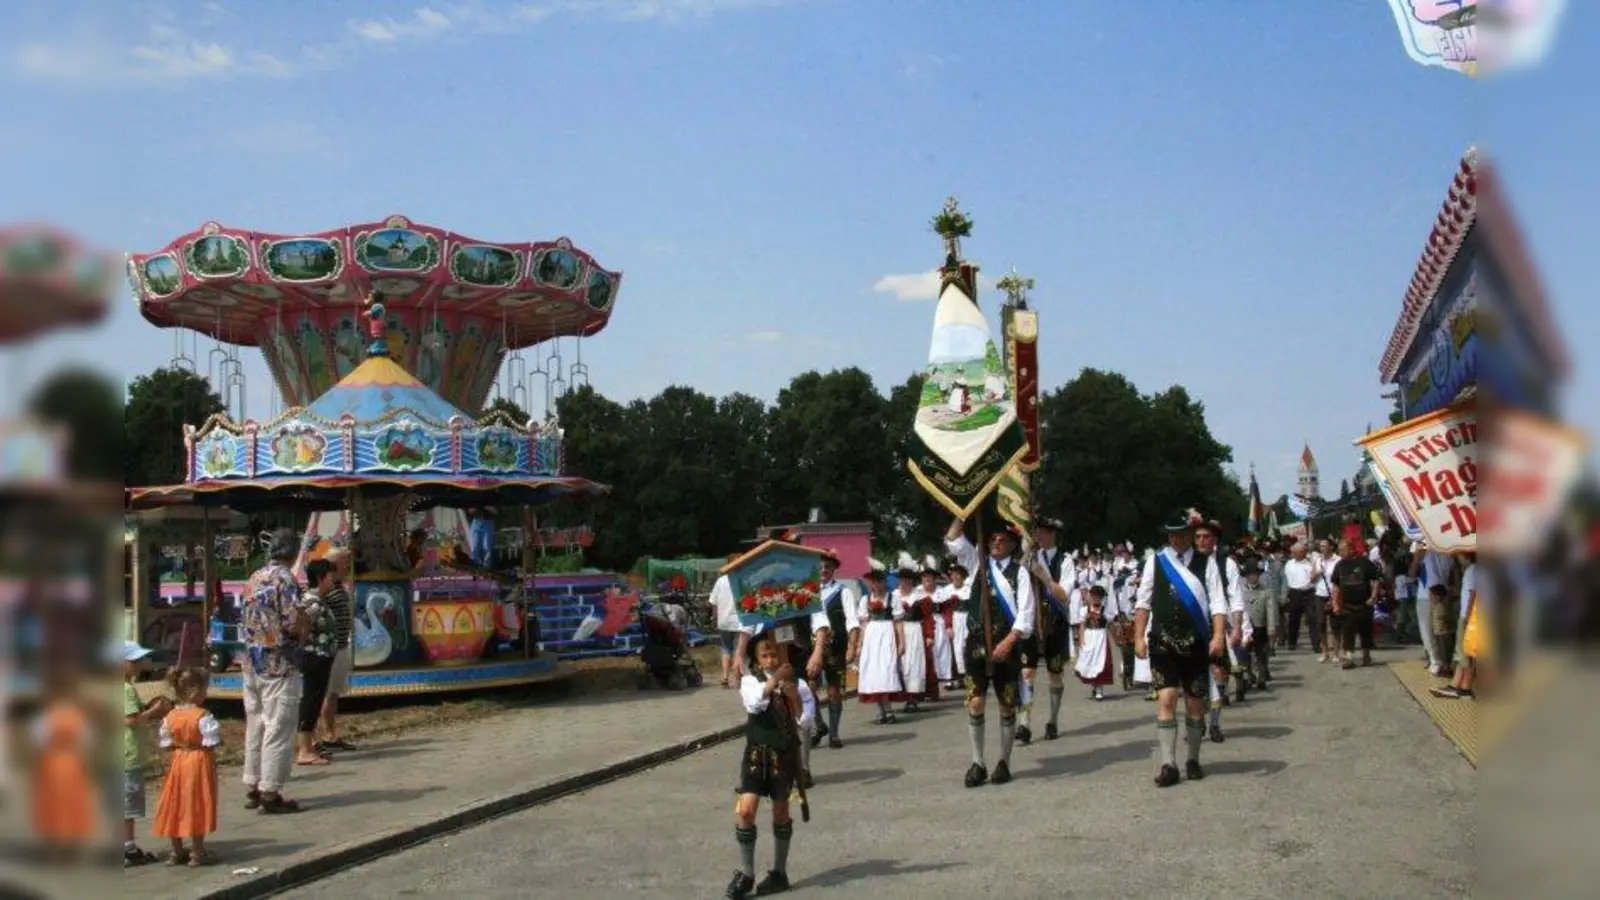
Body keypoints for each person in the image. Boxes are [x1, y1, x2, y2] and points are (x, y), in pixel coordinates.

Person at [1133, 511, 1227, 787]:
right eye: (1172, 534)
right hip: (1163, 641)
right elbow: (1143, 601)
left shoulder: (1206, 563)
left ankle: (1193, 759)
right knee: (1167, 699)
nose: (1177, 538)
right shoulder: (1156, 562)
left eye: (1182, 533)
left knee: (1196, 705)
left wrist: (1219, 636)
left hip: (1196, 642)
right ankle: (1168, 763)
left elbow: (1218, 602)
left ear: (1190, 533)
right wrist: (1138, 636)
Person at [945, 516, 1037, 788]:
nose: (997, 542)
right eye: (993, 539)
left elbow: (1026, 612)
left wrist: (1009, 641)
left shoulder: (1019, 572)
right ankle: (977, 762)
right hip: (976, 645)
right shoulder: (977, 563)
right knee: (975, 702)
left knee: (1007, 704)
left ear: (1011, 544)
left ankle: (1004, 762)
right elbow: (952, 540)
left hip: (1005, 644)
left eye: (1002, 539)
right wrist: (962, 511)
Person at [726, 633, 812, 899]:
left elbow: (805, 722)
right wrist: (774, 681)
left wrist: (793, 697)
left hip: (783, 756)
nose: (771, 659)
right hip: (755, 755)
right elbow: (754, 704)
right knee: (745, 811)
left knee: (780, 812)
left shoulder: (795, 684)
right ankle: (747, 872)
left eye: (775, 654)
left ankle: (779, 872)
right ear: (757, 659)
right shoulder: (750, 681)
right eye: (765, 655)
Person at [240, 528, 309, 815]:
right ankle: (271, 791)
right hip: (278, 663)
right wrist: (308, 621)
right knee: (279, 726)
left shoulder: (255, 577)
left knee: (255, 722)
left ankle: (253, 783)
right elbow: (292, 622)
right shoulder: (285, 579)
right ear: (292, 551)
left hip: (251, 660)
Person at [154, 668, 222, 866]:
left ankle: (176, 851)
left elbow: (166, 743)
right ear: (194, 691)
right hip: (198, 761)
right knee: (197, 803)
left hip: (178, 761)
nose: (206, 694)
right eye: (204, 690)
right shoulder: (203, 715)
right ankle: (197, 852)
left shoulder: (171, 715)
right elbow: (211, 741)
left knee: (175, 802)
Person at [1018, 516, 1072, 743]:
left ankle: (1053, 720)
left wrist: (1045, 577)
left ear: (1052, 534)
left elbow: (1064, 596)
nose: (1039, 536)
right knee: (1027, 672)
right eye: (1036, 532)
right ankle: (1024, 723)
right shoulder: (1028, 558)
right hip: (1031, 622)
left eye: (1043, 532)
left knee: (1055, 674)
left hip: (1055, 622)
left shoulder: (1065, 560)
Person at [123, 640, 171, 867]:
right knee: (127, 805)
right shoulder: (125, 690)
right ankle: (128, 848)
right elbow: (131, 720)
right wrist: (155, 711)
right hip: (127, 756)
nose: (139, 665)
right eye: (134, 661)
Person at [1195, 520, 1242, 742]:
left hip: (1217, 625)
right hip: (1193, 626)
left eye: (1206, 537)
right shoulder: (1188, 562)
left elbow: (1236, 597)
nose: (1202, 541)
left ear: (1215, 540)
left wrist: (1237, 628)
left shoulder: (1226, 564)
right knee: (1193, 676)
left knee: (1219, 673)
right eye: (1198, 537)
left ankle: (1214, 723)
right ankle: (1197, 723)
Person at [811, 548, 860, 749]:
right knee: (807, 690)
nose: (824, 570)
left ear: (834, 570)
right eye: (821, 567)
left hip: (835, 647)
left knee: (833, 691)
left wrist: (852, 646)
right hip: (811, 648)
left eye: (828, 567)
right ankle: (819, 725)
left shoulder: (843, 591)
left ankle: (834, 733)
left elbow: (852, 621)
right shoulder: (807, 591)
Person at [295, 559, 339, 766]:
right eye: (330, 576)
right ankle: (304, 748)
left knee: (315, 699)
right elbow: (302, 626)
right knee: (310, 702)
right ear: (321, 578)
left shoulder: (319, 600)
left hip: (321, 658)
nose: (333, 580)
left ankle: (309, 746)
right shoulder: (312, 602)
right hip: (314, 658)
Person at [317, 548, 357, 754]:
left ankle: (330, 732)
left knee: (333, 693)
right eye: (345, 561)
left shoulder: (338, 585)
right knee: (329, 693)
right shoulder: (329, 586)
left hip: (341, 645)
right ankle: (327, 734)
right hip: (333, 647)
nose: (348, 565)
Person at [855, 559, 904, 724]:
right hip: (871, 638)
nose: (877, 584)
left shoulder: (893, 599)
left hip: (887, 635)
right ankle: (880, 710)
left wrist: (902, 642)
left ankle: (889, 710)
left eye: (881, 581)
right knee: (871, 673)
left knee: (886, 671)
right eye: (874, 581)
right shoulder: (864, 600)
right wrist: (859, 646)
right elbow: (863, 625)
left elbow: (898, 623)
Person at [1330, 538, 1383, 669]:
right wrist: (1335, 604)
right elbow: (1335, 586)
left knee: (1365, 631)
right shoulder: (1339, 565)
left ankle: (1366, 656)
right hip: (1347, 605)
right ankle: (1349, 658)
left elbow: (1376, 579)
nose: (1340, 553)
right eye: (1339, 550)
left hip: (1364, 604)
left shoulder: (1364, 563)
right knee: (1347, 631)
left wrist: (1374, 596)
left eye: (1343, 550)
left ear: (1351, 549)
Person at [890, 554, 929, 713]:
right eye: (903, 579)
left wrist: (928, 635)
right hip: (897, 631)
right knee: (899, 664)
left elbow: (927, 618)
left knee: (913, 664)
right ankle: (901, 696)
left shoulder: (919, 596)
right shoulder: (893, 596)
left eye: (909, 579)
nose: (906, 582)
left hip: (914, 631)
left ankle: (913, 698)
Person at [1238, 561, 1277, 690]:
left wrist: (1271, 627)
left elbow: (1271, 610)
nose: (1254, 577)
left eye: (1256, 574)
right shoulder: (1240, 591)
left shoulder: (1266, 591)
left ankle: (1261, 676)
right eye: (1251, 575)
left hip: (1261, 626)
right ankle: (1249, 675)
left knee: (1261, 653)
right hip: (1245, 628)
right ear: (1246, 577)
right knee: (1246, 653)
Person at [1074, 586, 1114, 700]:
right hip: (1089, 636)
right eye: (1095, 596)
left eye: (1099, 597)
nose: (1097, 599)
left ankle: (1099, 688)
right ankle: (1094, 685)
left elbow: (1109, 622)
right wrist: (1081, 641)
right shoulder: (1084, 610)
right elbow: (1081, 626)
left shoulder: (1105, 610)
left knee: (1101, 662)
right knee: (1090, 662)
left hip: (1101, 637)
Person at [710, 562, 743, 688]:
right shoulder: (743, 578)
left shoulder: (721, 581)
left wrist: (715, 617)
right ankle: (738, 677)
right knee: (739, 649)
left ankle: (725, 676)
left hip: (724, 619)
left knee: (726, 648)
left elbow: (713, 601)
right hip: (741, 621)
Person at [942, 560, 973, 687]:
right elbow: (945, 610)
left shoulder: (968, 589)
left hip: (966, 619)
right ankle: (955, 678)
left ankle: (969, 676)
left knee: (967, 647)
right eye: (953, 574)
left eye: (958, 574)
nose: (955, 577)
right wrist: (948, 626)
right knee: (953, 649)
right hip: (954, 620)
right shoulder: (947, 590)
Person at [1282, 543, 1317, 651]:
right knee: (1293, 619)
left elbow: (1315, 575)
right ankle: (1292, 642)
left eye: (1303, 551)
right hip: (1294, 593)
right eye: (1296, 552)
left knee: (1312, 618)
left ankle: (1316, 644)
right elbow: (1286, 580)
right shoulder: (1289, 564)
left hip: (1309, 592)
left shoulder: (1310, 563)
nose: (1301, 553)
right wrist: (1285, 595)